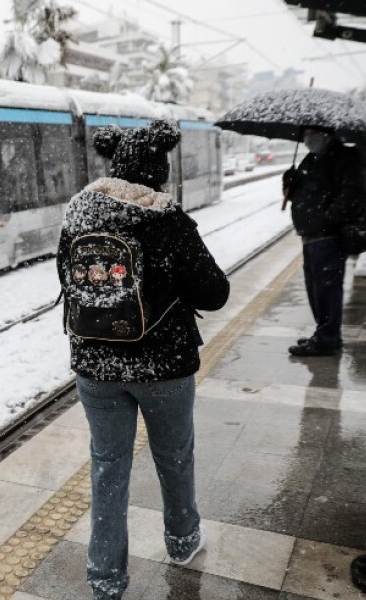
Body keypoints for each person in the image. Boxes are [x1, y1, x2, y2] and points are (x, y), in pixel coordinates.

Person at [56, 120, 230, 600]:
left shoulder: (79, 213)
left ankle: (106, 576)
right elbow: (215, 293)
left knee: (107, 466)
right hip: (162, 367)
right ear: (159, 171)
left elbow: (68, 283)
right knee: (173, 458)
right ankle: (181, 540)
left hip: (95, 366)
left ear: (114, 166)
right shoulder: (168, 220)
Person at [282, 127, 366, 356]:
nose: (306, 139)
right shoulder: (311, 159)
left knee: (327, 289)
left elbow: (354, 195)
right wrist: (290, 183)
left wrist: (327, 218)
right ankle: (324, 333)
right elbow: (302, 193)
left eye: (311, 134)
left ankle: (327, 338)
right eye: (304, 135)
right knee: (314, 288)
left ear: (325, 134)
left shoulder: (345, 157)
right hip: (310, 236)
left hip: (328, 236)